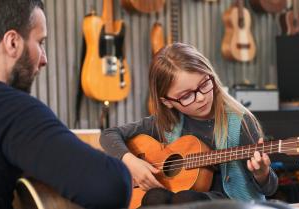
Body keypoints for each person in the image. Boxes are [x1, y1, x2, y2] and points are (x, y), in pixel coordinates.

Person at [0, 0, 131, 209]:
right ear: (12, 42)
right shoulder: (7, 108)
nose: (44, 59)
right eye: (40, 42)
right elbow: (111, 185)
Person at [100, 43, 278, 206]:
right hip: (181, 200)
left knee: (187, 199)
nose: (201, 97)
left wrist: (261, 173)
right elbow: (108, 135)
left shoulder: (239, 122)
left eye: (204, 84)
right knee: (154, 197)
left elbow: (269, 189)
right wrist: (132, 163)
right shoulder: (167, 122)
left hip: (232, 203)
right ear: (167, 102)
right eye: (186, 96)